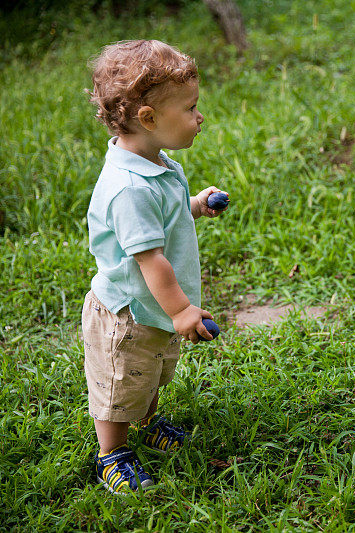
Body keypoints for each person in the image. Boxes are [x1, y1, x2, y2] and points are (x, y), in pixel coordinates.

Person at [83, 39, 227, 494]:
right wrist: (183, 311)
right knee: (122, 384)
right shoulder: (128, 187)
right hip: (129, 315)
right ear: (148, 119)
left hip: (154, 310)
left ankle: (147, 422)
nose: (199, 117)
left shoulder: (157, 165)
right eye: (190, 108)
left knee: (153, 373)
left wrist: (195, 205)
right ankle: (112, 454)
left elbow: (161, 218)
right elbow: (151, 257)